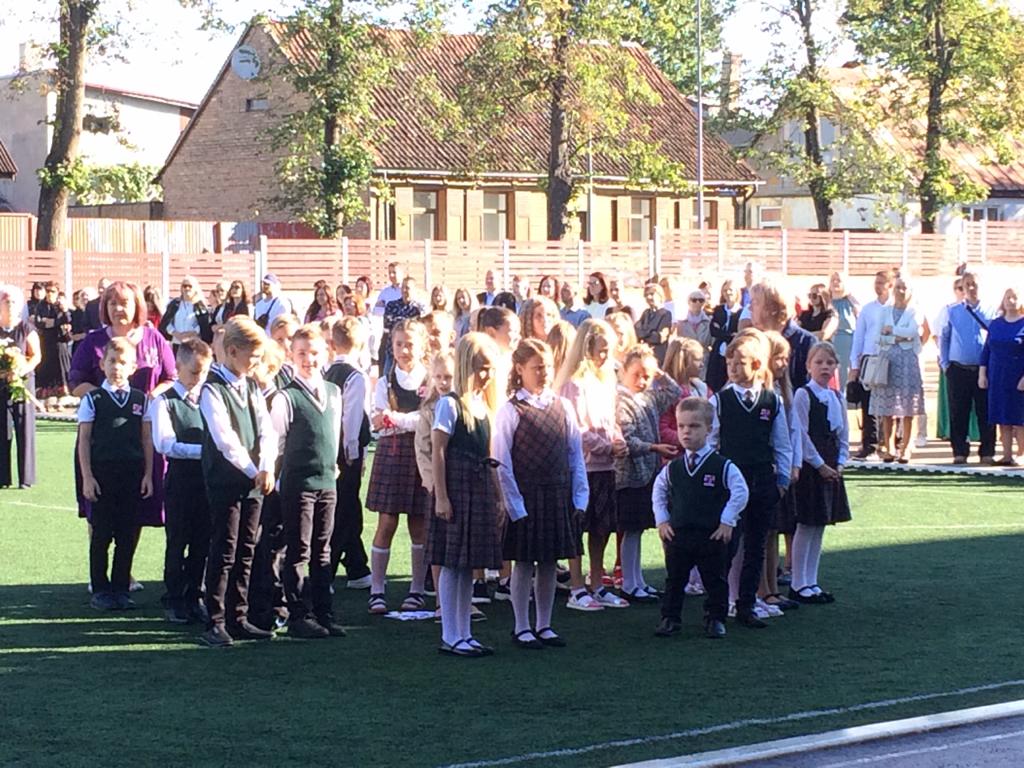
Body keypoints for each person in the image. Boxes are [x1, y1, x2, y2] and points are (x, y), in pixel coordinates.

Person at [69, 281, 177, 573]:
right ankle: (98, 576)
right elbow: (75, 381)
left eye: (125, 302)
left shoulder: (154, 339)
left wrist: (149, 397)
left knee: (135, 507)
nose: (118, 308)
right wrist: (105, 400)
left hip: (140, 436)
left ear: (137, 306)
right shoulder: (92, 341)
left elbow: (171, 377)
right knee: (99, 508)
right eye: (112, 303)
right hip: (101, 440)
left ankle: (123, 573)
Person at [494, 339, 588, 649]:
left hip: (557, 494)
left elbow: (575, 455)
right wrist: (515, 506)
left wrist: (579, 497)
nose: (543, 373)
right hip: (526, 496)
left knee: (549, 562)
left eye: (547, 366)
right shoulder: (510, 410)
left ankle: (544, 624)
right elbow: (502, 462)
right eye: (536, 367)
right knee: (523, 563)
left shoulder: (563, 406)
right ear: (520, 369)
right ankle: (521, 625)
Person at [198, 316, 278, 647]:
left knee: (247, 548)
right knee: (225, 549)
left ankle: (238, 617)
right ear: (232, 351)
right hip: (226, 481)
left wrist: (267, 466)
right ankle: (215, 621)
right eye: (253, 356)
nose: (257, 363)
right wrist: (252, 470)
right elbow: (225, 439)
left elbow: (267, 430)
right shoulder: (211, 389)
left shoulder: (251, 386)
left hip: (255, 480)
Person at [708, 331, 792, 629]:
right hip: (732, 480)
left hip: (762, 479)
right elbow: (712, 441)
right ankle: (717, 609)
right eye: (729, 362)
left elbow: (782, 443)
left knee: (757, 545)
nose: (732, 368)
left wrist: (782, 479)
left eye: (739, 362)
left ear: (756, 364)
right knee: (727, 545)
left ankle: (747, 605)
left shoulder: (772, 400)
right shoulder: (720, 400)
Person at [427, 332, 503, 657]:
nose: (486, 375)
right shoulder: (449, 404)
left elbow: (489, 454)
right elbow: (438, 450)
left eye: (490, 368)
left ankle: (465, 632)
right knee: (452, 562)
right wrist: (442, 496)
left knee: (468, 564)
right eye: (481, 368)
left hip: (478, 487)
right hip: (457, 487)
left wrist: (498, 495)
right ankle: (450, 634)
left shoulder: (483, 406)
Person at [270, 325, 346, 638]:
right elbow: (277, 443)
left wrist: (334, 465)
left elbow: (334, 433)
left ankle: (324, 613)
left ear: (325, 353)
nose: (308, 359)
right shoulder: (286, 397)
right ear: (291, 355)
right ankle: (299, 615)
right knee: (299, 550)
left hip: (327, 481)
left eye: (314, 353)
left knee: (323, 550)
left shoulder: (334, 392)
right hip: (298, 483)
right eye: (301, 353)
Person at [653, 397, 748, 639]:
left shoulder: (722, 465)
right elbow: (659, 491)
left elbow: (740, 492)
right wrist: (662, 520)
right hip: (680, 533)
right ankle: (670, 618)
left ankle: (715, 619)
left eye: (694, 426)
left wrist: (727, 521)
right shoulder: (673, 467)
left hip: (711, 534)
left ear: (709, 429)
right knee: (675, 579)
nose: (686, 432)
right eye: (681, 426)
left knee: (715, 580)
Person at [77, 337, 154, 611]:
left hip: (131, 474)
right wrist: (87, 477)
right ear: (102, 364)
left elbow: (146, 439)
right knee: (101, 534)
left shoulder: (141, 399)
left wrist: (148, 474)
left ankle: (121, 588)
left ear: (133, 367)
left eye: (123, 363)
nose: (116, 367)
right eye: (112, 361)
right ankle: (100, 589)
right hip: (103, 474)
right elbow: (84, 440)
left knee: (126, 533)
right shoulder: (93, 399)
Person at [557, 319, 628, 610]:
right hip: (583, 468)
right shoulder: (574, 385)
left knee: (602, 528)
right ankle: (576, 587)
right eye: (601, 350)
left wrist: (618, 440)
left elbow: (611, 420)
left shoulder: (605, 381)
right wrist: (606, 446)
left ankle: (597, 583)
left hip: (605, 466)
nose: (605, 356)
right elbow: (577, 429)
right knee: (578, 526)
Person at [366, 319, 432, 614]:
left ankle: (417, 589)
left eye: (410, 344)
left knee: (419, 524)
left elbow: (426, 420)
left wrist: (397, 419)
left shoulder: (429, 380)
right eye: (398, 344)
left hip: (421, 455)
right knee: (387, 522)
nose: (404, 350)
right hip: (392, 454)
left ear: (423, 346)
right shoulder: (385, 381)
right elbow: (379, 419)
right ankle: (377, 590)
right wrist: (395, 420)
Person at [148, 338, 214, 625]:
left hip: (207, 481)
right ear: (178, 366)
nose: (199, 378)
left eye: (204, 372)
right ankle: (174, 598)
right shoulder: (164, 401)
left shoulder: (210, 398)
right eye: (194, 372)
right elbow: (165, 444)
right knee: (178, 541)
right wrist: (207, 451)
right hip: (180, 481)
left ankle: (195, 596)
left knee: (203, 541)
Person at [615, 343, 682, 603]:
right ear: (624, 372)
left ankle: (638, 580)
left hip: (648, 472)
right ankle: (629, 583)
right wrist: (654, 447)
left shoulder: (650, 397)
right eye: (637, 375)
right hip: (630, 476)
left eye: (647, 376)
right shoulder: (621, 401)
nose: (642, 381)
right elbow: (628, 439)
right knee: (631, 529)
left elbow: (674, 391)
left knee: (639, 529)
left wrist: (658, 373)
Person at [790, 342, 851, 603]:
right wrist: (819, 465)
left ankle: (811, 580)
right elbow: (801, 434)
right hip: (811, 466)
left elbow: (843, 433)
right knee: (806, 523)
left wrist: (840, 462)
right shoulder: (803, 395)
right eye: (819, 362)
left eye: (829, 363)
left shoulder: (837, 397)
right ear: (808, 366)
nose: (824, 367)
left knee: (820, 525)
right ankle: (797, 583)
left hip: (831, 462)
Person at [324, 317, 372, 589]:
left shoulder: (327, 372)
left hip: (329, 449)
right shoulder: (356, 376)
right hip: (345, 453)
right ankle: (326, 572)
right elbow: (351, 419)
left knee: (348, 509)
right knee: (344, 510)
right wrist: (353, 453)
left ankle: (357, 567)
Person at [414, 352, 456, 618]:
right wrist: (431, 483)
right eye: (438, 377)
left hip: (460, 480)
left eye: (448, 377)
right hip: (438, 486)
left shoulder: (461, 404)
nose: (443, 382)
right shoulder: (428, 410)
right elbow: (423, 449)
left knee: (458, 543)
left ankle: (460, 599)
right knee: (440, 544)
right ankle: (441, 600)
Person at [939, 271, 996, 464]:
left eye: (974, 284)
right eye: (967, 284)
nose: (971, 288)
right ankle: (960, 451)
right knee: (958, 412)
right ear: (962, 287)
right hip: (958, 369)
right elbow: (944, 337)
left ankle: (987, 451)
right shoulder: (952, 311)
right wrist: (945, 364)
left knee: (985, 412)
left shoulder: (991, 311)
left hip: (983, 370)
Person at [868, 276, 925, 463]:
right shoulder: (884, 311)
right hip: (888, 360)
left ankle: (906, 447)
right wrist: (897, 337)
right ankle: (889, 446)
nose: (900, 291)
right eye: (898, 287)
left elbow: (912, 332)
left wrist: (891, 331)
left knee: (908, 406)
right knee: (887, 406)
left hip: (908, 361)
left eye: (904, 288)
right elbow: (877, 337)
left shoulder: (915, 311)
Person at [849, 270, 894, 459]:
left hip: (891, 359)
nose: (878, 286)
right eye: (876, 282)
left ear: (890, 285)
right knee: (869, 403)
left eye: (881, 282)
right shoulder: (868, 309)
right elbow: (859, 337)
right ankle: (869, 444)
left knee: (891, 404)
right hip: (870, 359)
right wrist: (855, 364)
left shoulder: (897, 308)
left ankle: (891, 443)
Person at [0, 285, 39, 489]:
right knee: (2, 428)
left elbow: (36, 356)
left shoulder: (26, 328)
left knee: (25, 427)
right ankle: (2, 477)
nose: (10, 305)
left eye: (13, 302)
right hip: (1, 384)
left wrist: (22, 369)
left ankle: (26, 478)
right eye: (6, 301)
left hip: (23, 383)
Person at [979, 287, 1024, 465]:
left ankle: (1021, 453)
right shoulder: (996, 324)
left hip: (1018, 377)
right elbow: (987, 350)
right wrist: (982, 373)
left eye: (1014, 297)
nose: (1011, 301)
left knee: (1019, 418)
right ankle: (1006, 455)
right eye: (1007, 297)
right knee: (1002, 417)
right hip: (997, 376)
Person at [31, 281, 70, 404]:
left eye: (52, 291)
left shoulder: (60, 306)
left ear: (57, 292)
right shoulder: (41, 306)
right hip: (46, 341)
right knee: (46, 368)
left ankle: (62, 395)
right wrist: (55, 322)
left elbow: (68, 319)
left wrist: (53, 321)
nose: (49, 294)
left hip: (59, 342)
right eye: (47, 291)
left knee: (61, 369)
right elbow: (39, 322)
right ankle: (47, 396)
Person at [380, 276, 425, 375]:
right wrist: (406, 322)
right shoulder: (391, 305)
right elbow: (388, 323)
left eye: (407, 288)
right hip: (392, 350)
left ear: (414, 290)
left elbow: (420, 327)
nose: (404, 290)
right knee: (387, 376)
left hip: (411, 352)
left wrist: (399, 321)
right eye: (403, 287)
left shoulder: (418, 309)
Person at [159, 275, 214, 348]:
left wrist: (191, 333)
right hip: (177, 342)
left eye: (190, 286)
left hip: (194, 344)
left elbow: (204, 325)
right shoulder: (175, 304)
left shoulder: (200, 306)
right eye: (184, 286)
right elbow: (166, 322)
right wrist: (176, 334)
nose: (187, 288)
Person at [707, 281, 742, 393]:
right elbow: (713, 331)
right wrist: (729, 334)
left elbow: (739, 333)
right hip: (718, 349)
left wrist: (722, 332)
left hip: (733, 350)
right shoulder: (719, 310)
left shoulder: (741, 312)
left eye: (730, 290)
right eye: (725, 290)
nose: (728, 292)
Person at [829, 272, 860, 392]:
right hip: (831, 338)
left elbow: (859, 317)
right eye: (833, 280)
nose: (835, 282)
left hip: (847, 338)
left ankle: (844, 394)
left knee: (844, 369)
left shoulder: (850, 301)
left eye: (838, 280)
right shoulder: (828, 301)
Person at [634, 282, 673, 366]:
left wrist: (644, 333)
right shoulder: (645, 313)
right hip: (645, 357)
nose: (649, 297)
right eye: (646, 295)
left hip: (659, 358)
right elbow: (636, 331)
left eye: (652, 294)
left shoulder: (666, 314)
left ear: (660, 295)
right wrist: (650, 332)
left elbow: (659, 338)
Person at [675, 291, 712, 357]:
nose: (698, 302)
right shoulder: (681, 322)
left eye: (701, 300)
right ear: (688, 302)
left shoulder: (710, 322)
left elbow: (712, 343)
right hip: (686, 357)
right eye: (694, 300)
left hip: (704, 358)